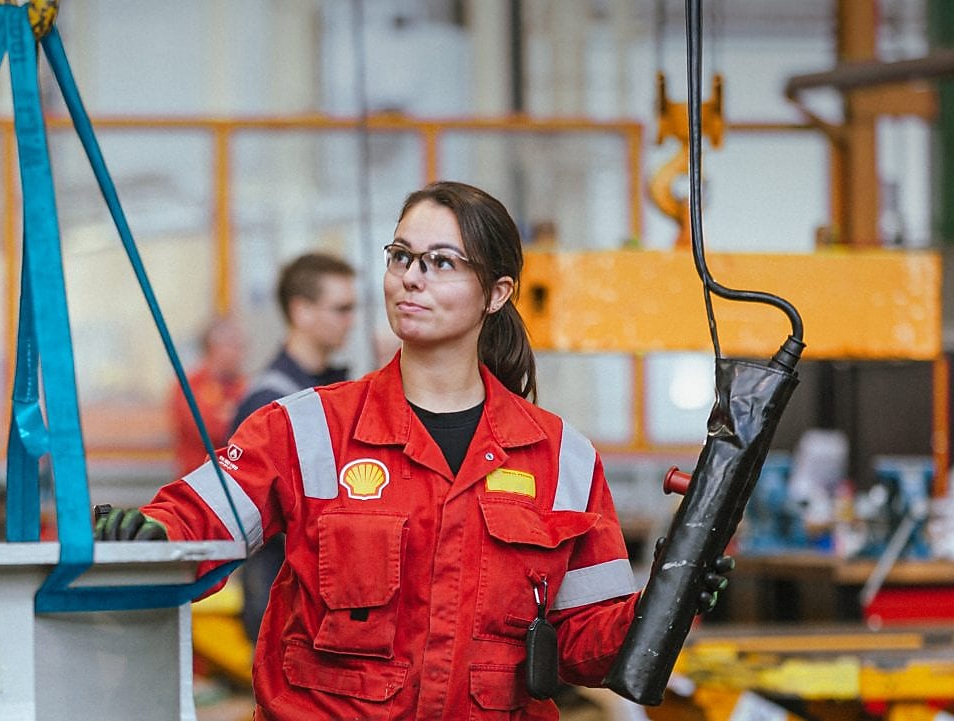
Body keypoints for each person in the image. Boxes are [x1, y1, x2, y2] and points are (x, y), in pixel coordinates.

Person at [95, 181, 729, 720]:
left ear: (498, 294)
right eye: (402, 256)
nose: (411, 279)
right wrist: (147, 538)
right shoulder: (307, 427)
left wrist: (663, 603)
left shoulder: (561, 459)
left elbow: (586, 644)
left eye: (442, 262)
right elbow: (195, 525)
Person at [232, 251, 357, 642]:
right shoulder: (270, 405)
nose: (350, 322)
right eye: (341, 309)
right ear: (301, 311)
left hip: (323, 602)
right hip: (284, 605)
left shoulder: (332, 396)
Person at [167, 316, 248, 477]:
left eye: (242, 346)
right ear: (213, 347)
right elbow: (210, 430)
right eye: (234, 345)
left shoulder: (244, 386)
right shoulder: (189, 385)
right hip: (196, 481)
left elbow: (252, 431)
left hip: (234, 480)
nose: (241, 353)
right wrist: (235, 417)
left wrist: (231, 415)